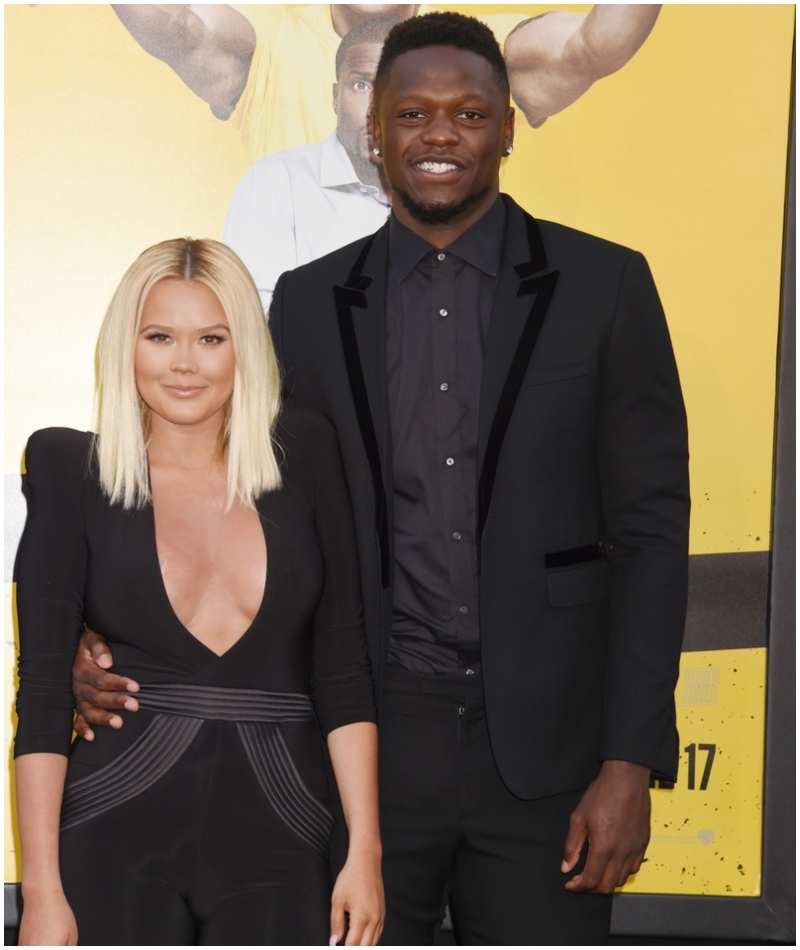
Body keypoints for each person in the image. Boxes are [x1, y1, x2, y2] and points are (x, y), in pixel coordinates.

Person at [72, 12, 690, 945]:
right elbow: (227, 490)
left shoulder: (606, 287)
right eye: (412, 113)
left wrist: (629, 762)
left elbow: (650, 537)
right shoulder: (314, 305)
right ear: (374, 130)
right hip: (361, 749)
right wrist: (94, 634)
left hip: (551, 758)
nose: (439, 134)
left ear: (509, 126)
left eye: (469, 113)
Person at [14, 238, 383, 946]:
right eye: (160, 337)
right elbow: (41, 696)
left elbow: (344, 674)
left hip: (286, 838)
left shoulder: (305, 456)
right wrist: (42, 892)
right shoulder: (71, 469)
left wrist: (364, 851)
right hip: (112, 837)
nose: (184, 363)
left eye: (211, 338)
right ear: (128, 347)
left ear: (244, 348)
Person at [112, 4, 662, 162]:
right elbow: (176, 27)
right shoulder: (271, 34)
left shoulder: (476, 43)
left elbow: (597, 43)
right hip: (297, 357)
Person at [223, 17, 394, 312]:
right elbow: (251, 323)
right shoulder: (277, 184)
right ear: (335, 98)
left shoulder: (452, 197)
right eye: (361, 84)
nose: (377, 106)